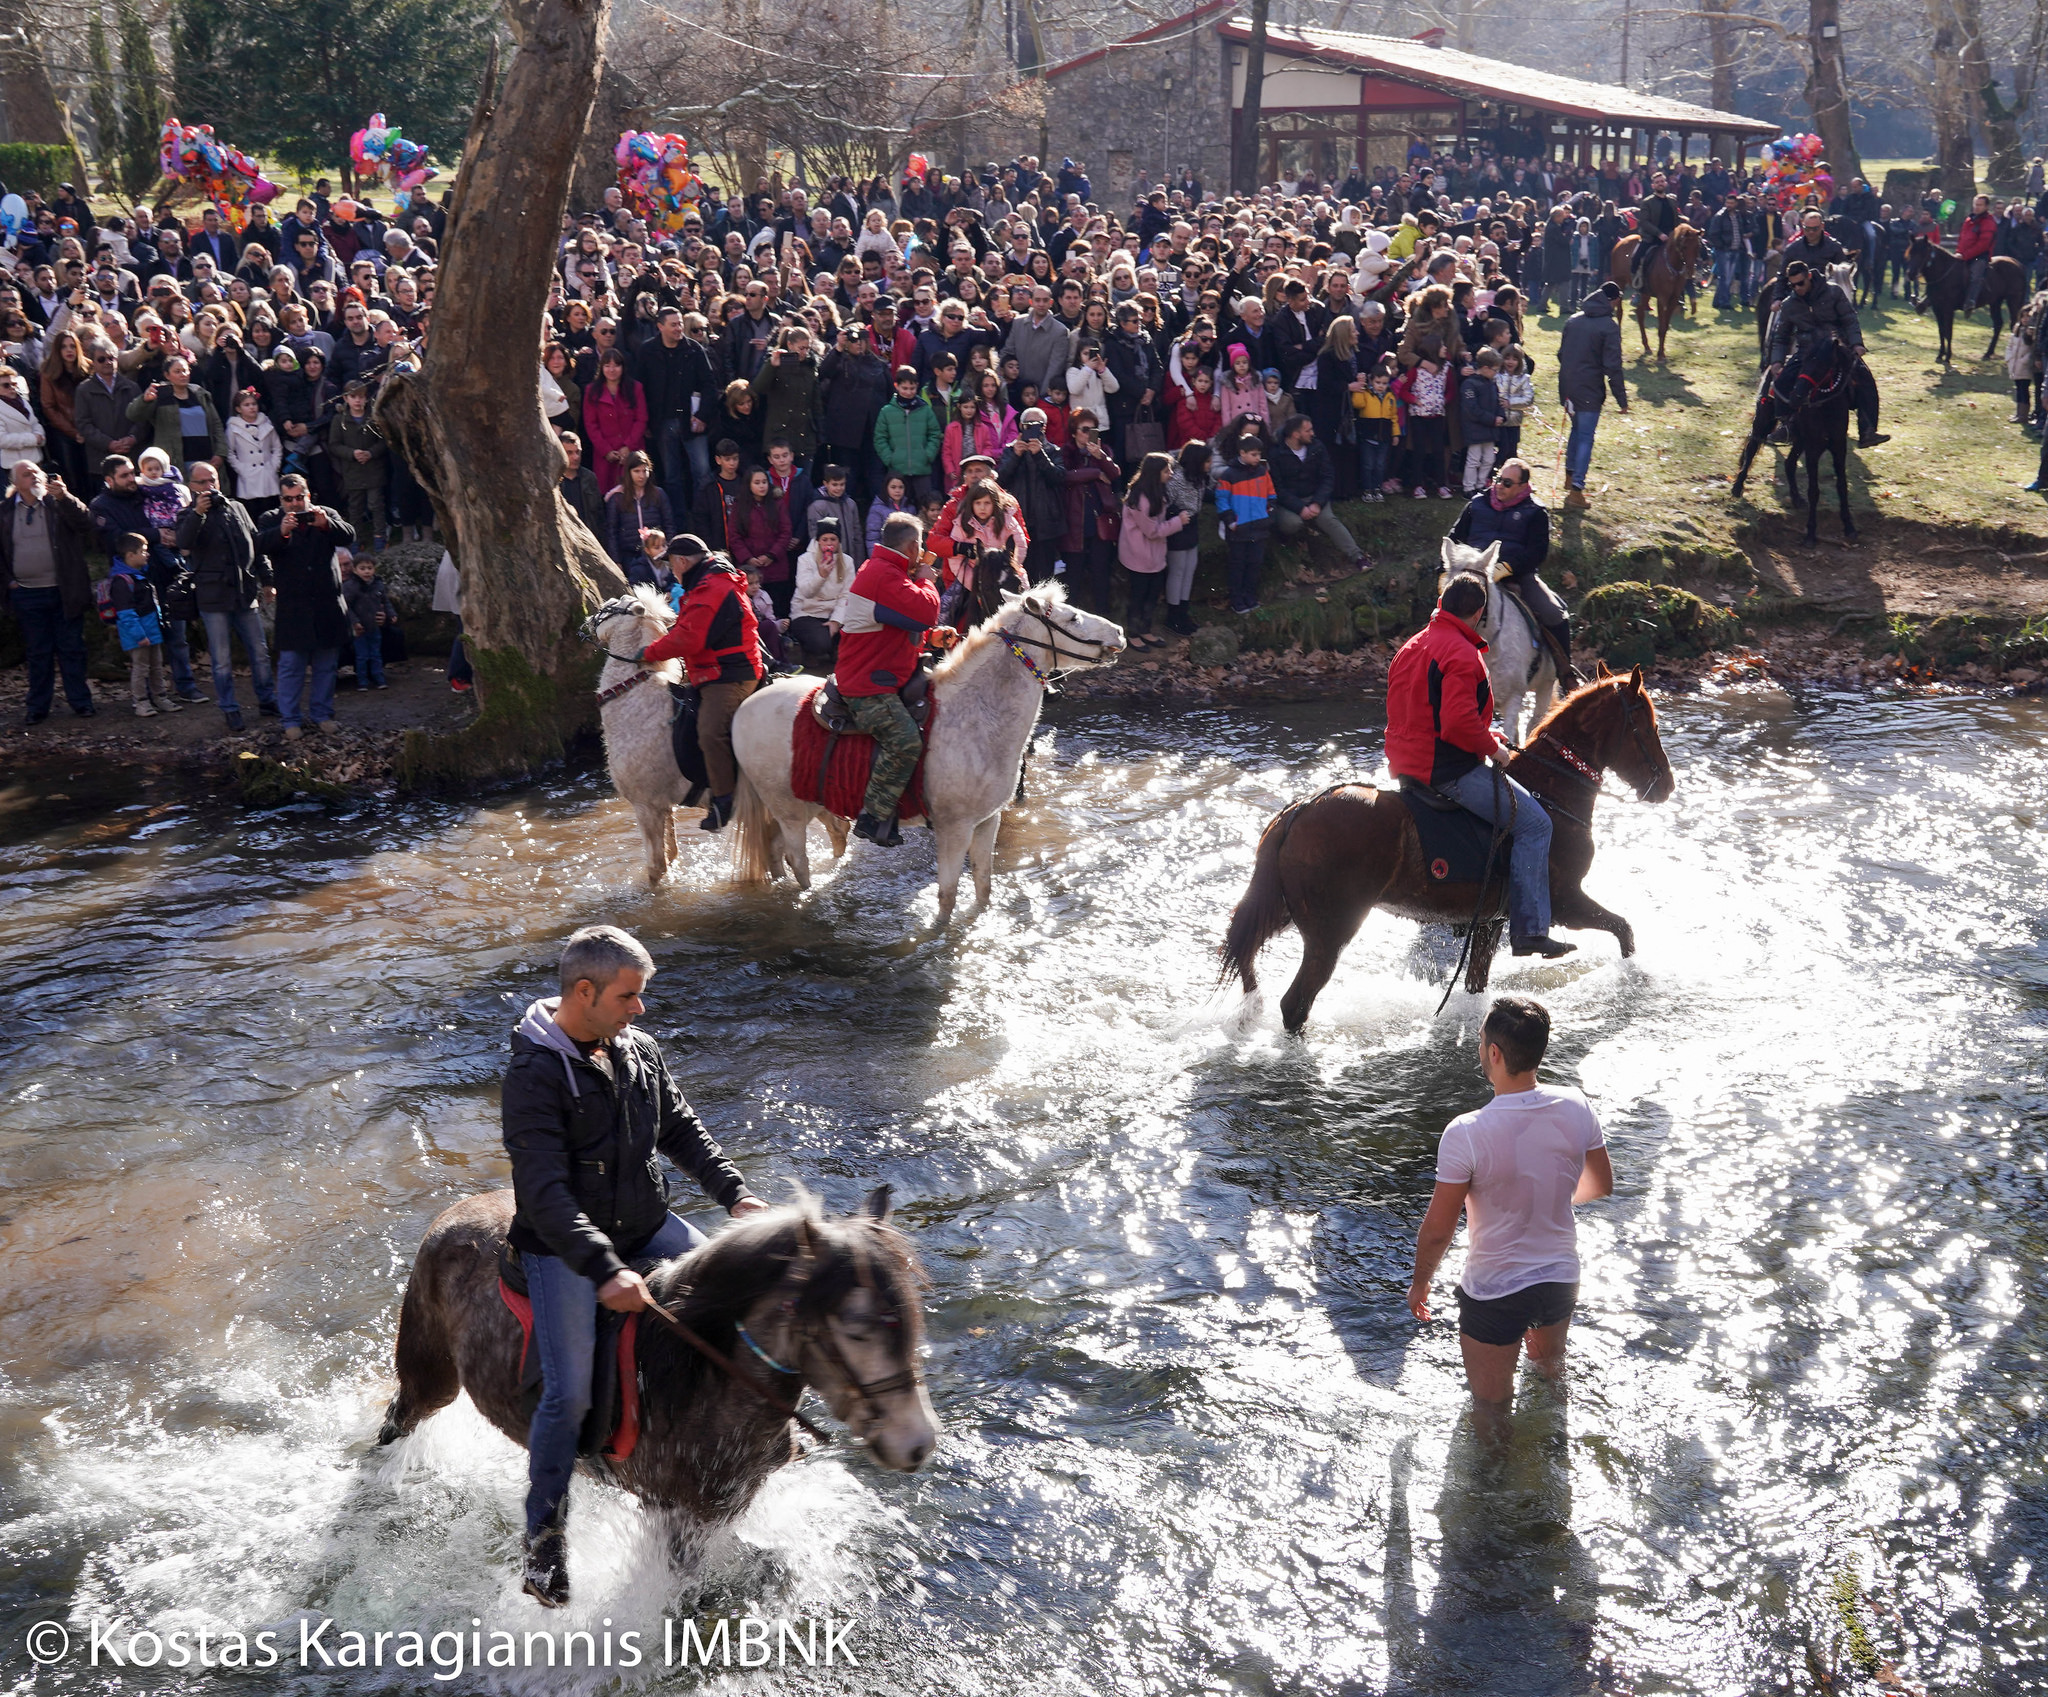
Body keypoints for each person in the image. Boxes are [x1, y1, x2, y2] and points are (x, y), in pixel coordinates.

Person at [502, 924, 767, 1606]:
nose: (639, 1009)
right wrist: (603, 1269)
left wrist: (735, 1194)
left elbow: (681, 1129)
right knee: (570, 1394)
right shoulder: (534, 1074)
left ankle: (734, 1453)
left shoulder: (638, 1049)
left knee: (744, 1303)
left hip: (649, 1224)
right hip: (564, 1248)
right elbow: (543, 1193)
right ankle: (543, 1546)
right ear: (583, 992)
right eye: (629, 995)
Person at [1406, 996, 1613, 1441]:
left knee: (1491, 1410)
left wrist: (1420, 1282)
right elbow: (1600, 1185)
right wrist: (1543, 1200)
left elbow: (1439, 1229)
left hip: (1495, 1292)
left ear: (1494, 1053)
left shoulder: (1466, 1131)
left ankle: (1497, 1498)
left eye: (1482, 1043)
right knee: (1549, 1379)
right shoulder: (1576, 1105)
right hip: (1559, 1278)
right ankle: (1552, 1465)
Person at [1384, 571, 1572, 958]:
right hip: (1446, 770)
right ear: (1479, 612)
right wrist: (1496, 750)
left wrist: (1490, 735)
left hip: (1406, 764)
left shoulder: (1412, 645)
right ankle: (1530, 931)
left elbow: (1429, 713)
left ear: (1442, 602)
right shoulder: (1462, 653)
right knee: (1536, 825)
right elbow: (1456, 723)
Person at [637, 536, 765, 831]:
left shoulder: (711, 587)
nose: (671, 571)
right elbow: (687, 627)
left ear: (681, 561)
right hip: (717, 670)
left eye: (671, 564)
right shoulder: (707, 582)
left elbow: (688, 639)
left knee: (710, 733)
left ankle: (723, 800)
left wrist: (648, 653)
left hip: (729, 674)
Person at [831, 511, 939, 847]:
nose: (921, 554)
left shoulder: (883, 569)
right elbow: (926, 612)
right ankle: (873, 817)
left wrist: (931, 639)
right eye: (920, 548)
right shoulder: (884, 574)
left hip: (884, 674)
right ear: (911, 547)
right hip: (866, 685)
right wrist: (926, 578)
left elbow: (898, 625)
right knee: (905, 741)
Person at [1449, 458, 1577, 686]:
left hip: (1518, 576)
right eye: (1498, 479)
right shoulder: (1476, 503)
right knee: (1441, 613)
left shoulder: (1536, 512)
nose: (1499, 485)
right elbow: (1454, 537)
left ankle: (1566, 674)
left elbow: (1538, 552)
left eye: (1507, 483)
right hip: (1472, 575)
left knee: (1554, 614)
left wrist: (1506, 568)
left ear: (1522, 486)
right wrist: (1444, 572)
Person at [176, 458, 275, 730]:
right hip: (213, 598)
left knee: (260, 653)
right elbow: (183, 543)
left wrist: (267, 580)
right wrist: (198, 513)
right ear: (191, 485)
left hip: (245, 593)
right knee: (221, 661)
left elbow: (257, 546)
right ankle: (230, 709)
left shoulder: (238, 508)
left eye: (213, 480)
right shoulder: (187, 514)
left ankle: (267, 700)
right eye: (203, 482)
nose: (209, 486)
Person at [258, 473, 356, 740]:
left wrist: (325, 525)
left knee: (326, 665)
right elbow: (258, 544)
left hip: (327, 604)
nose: (294, 504)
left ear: (308, 496)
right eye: (288, 499)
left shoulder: (326, 514)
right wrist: (282, 532)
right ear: (281, 499)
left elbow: (349, 535)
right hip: (294, 608)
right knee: (291, 666)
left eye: (299, 497)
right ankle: (290, 720)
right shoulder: (270, 519)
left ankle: (322, 715)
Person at [0, 461, 99, 722]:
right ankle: (37, 708)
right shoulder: (4, 511)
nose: (32, 476)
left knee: (72, 649)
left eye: (36, 472)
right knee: (38, 652)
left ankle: (81, 702)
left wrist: (64, 496)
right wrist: (9, 582)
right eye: (26, 474)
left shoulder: (58, 504)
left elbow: (86, 523)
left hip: (64, 590)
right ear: (15, 482)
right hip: (26, 593)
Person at [1764, 260, 1888, 449]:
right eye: (1793, 285)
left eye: (1800, 283)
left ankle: (1867, 430)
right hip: (1807, 351)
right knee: (1781, 383)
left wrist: (1856, 344)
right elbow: (1781, 337)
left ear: (1809, 277)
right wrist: (1776, 362)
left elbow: (1849, 319)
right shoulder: (1789, 305)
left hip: (1837, 348)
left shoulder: (1834, 292)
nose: (1797, 288)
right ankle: (1787, 426)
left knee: (1865, 380)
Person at [1556, 281, 1629, 508]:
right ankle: (1577, 490)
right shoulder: (1609, 326)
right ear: (1614, 300)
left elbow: (1561, 354)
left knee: (1576, 431)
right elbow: (1613, 366)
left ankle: (1569, 477)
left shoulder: (1573, 319)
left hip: (1567, 387)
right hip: (1589, 389)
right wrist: (1622, 399)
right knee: (1586, 436)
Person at [1268, 415, 1364, 569]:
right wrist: (1300, 508)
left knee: (1330, 521)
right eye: (1308, 430)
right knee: (1292, 523)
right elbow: (1277, 487)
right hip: (1289, 501)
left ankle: (1357, 557)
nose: (1312, 433)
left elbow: (1328, 476)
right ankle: (1284, 538)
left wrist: (1317, 503)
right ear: (1295, 434)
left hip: (1315, 495)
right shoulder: (1276, 453)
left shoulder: (1317, 447)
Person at [1213, 431, 1275, 615]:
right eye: (1254, 454)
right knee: (1237, 565)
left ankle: (1250, 596)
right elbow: (1222, 500)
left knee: (1255, 564)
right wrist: (1231, 521)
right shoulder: (1229, 474)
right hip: (1239, 529)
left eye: (1259, 454)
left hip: (1260, 527)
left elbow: (1271, 494)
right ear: (1242, 453)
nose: (1258, 458)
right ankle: (1236, 599)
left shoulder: (1263, 472)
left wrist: (1269, 512)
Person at [327, 380, 389, 551]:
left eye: (361, 397)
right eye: (353, 397)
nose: (357, 401)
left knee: (376, 505)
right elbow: (334, 445)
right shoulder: (340, 420)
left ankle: (380, 537)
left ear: (366, 398)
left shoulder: (374, 418)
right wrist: (352, 454)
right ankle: (355, 538)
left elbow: (383, 441)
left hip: (373, 469)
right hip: (352, 471)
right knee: (355, 508)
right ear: (346, 398)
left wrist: (371, 453)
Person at [788, 518, 857, 669]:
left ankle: (835, 649)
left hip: (834, 612)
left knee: (856, 632)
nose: (829, 543)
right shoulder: (805, 560)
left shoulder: (847, 561)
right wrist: (821, 575)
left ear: (839, 541)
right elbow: (806, 591)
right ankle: (810, 651)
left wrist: (836, 621)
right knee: (820, 642)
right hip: (808, 612)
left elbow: (847, 594)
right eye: (824, 539)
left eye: (833, 539)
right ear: (818, 541)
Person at [343, 550, 394, 689]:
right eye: (362, 568)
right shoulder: (350, 587)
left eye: (369, 568)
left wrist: (391, 614)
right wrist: (354, 622)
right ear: (355, 569)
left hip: (374, 626)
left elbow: (385, 601)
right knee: (362, 655)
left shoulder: (378, 584)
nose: (366, 572)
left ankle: (379, 678)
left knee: (375, 653)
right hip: (360, 628)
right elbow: (346, 606)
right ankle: (362, 680)